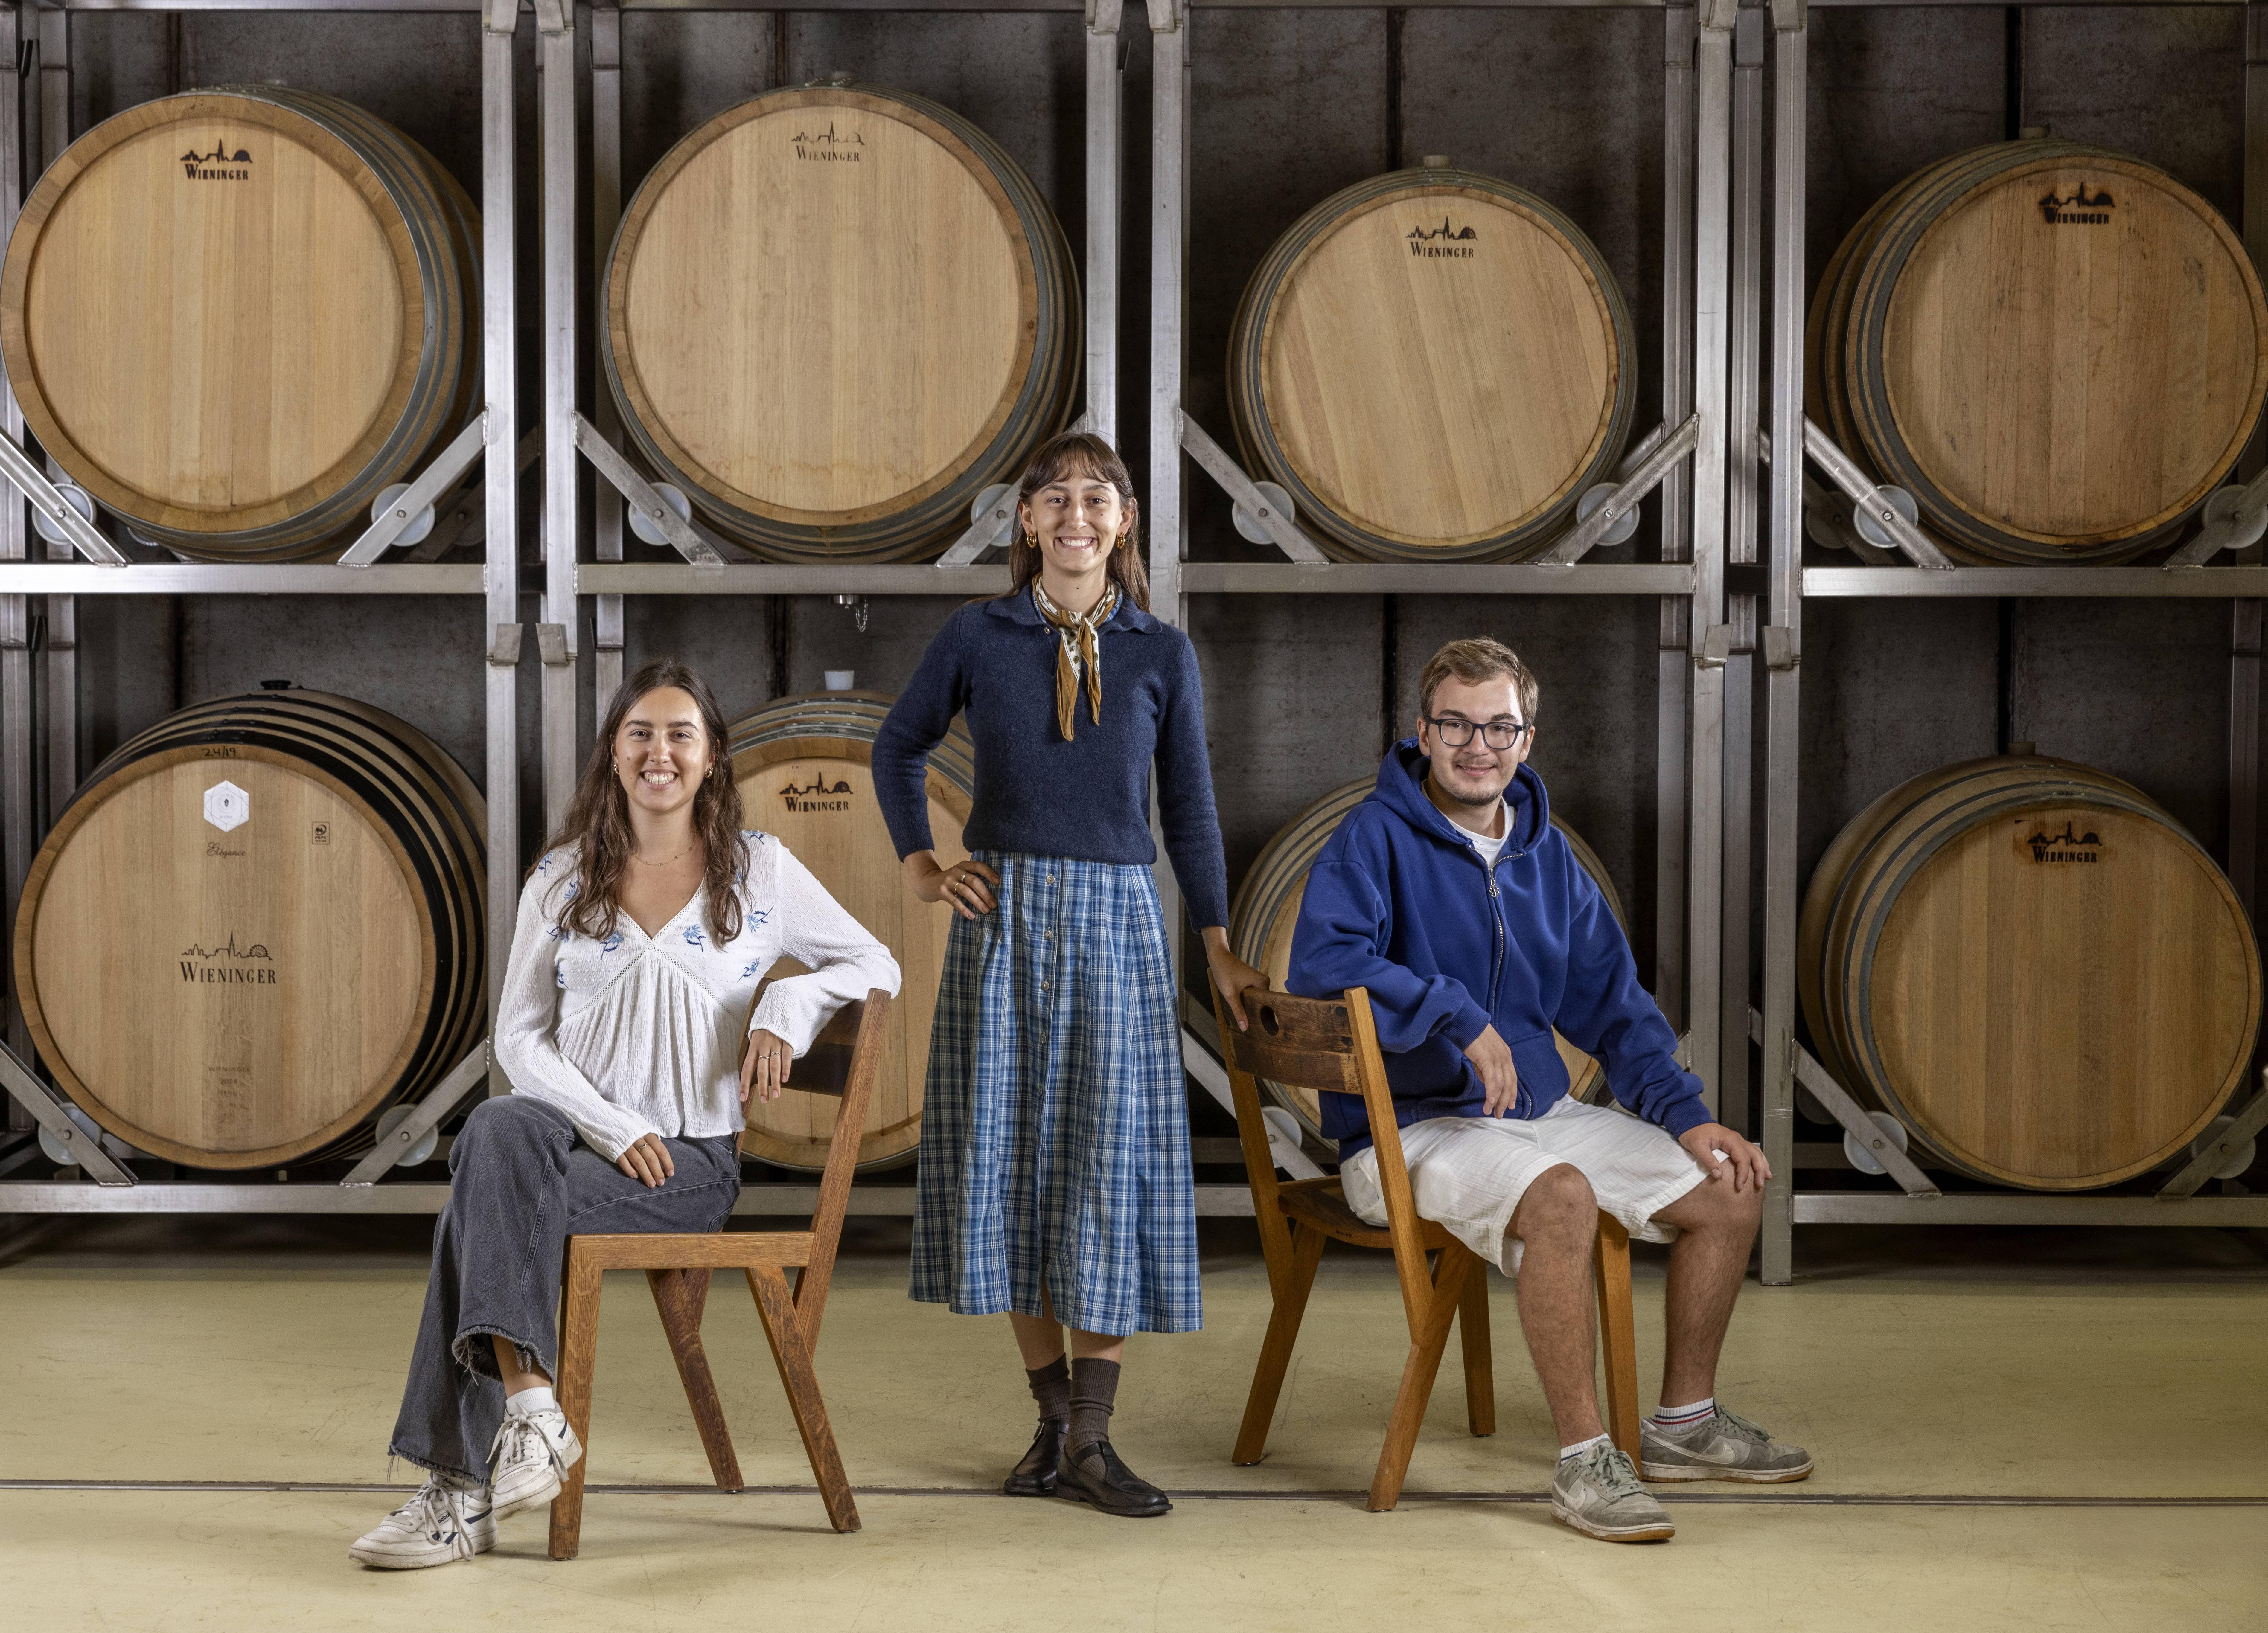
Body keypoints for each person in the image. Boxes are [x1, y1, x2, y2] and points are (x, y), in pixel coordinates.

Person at [353, 660, 900, 1569]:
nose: (660, 752)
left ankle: (461, 1488)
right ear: (613, 752)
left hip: (690, 1163)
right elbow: (518, 1037)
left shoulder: (760, 869)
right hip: (578, 1144)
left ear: (712, 756)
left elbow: (876, 963)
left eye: (682, 734)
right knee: (496, 1129)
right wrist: (611, 1126)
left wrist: (786, 1005)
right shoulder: (563, 876)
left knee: (479, 1210)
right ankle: (533, 1414)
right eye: (640, 733)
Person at [1288, 637, 1810, 1545]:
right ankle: (1584, 1461)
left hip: (1538, 1114)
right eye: (1456, 725)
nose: (1477, 746)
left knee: (1730, 1186)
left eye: (1499, 727)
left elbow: (1615, 1005)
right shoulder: (1371, 838)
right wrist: (1457, 1015)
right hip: (1407, 1131)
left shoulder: (1548, 856)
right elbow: (1326, 963)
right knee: (1562, 1198)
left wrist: (1689, 1118)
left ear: (1527, 739)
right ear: (1423, 733)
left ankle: (1685, 1422)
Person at [872, 430, 1260, 1519]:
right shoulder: (977, 634)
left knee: (1107, 1162)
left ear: (1124, 520)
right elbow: (898, 746)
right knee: (1011, 1160)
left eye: (1097, 498)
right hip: (1001, 920)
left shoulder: (1160, 651)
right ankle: (1053, 1425)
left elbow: (1189, 810)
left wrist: (1217, 943)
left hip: (1118, 923)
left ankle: (1092, 1434)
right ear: (1027, 520)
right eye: (1055, 498)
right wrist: (922, 866)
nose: (1076, 515)